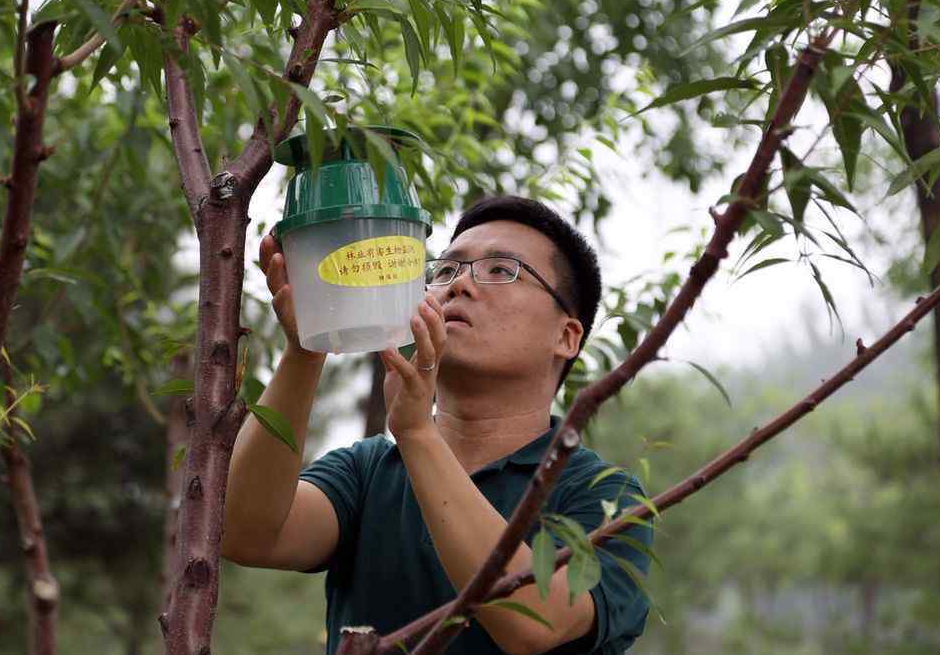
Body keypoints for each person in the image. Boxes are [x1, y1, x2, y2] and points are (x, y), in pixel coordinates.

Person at [221, 196, 652, 654]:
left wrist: (417, 435)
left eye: (501, 270)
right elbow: (244, 533)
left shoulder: (605, 497)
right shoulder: (368, 472)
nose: (459, 286)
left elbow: (533, 621)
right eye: (445, 271)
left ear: (565, 336)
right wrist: (308, 346)